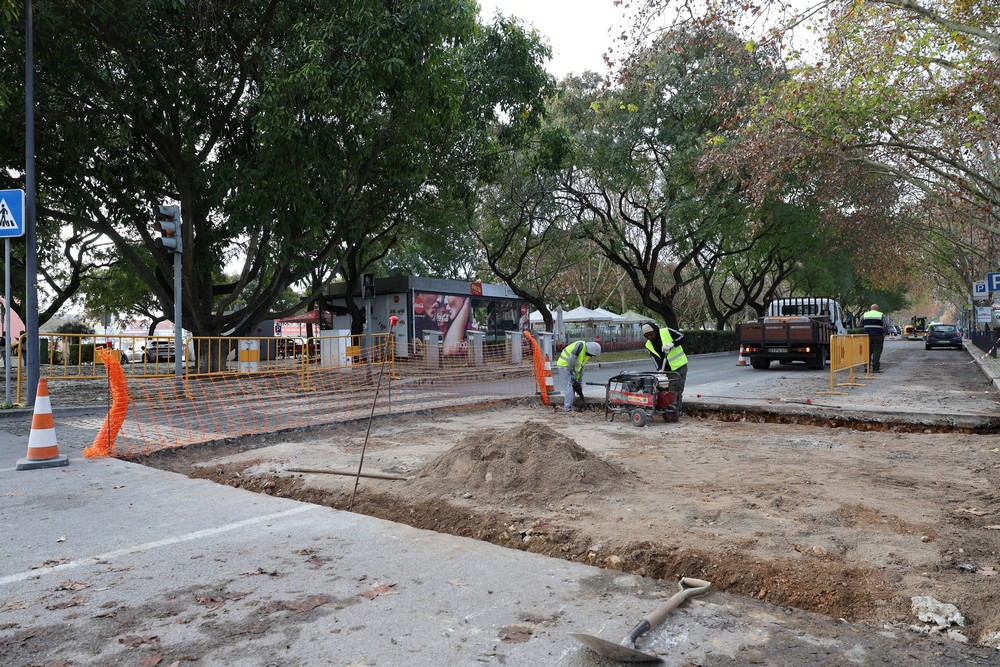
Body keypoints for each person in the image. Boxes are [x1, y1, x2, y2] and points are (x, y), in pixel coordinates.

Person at [641, 321, 689, 414]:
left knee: (675, 389)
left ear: (655, 330)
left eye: (651, 334)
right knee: (663, 389)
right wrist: (659, 370)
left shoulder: (666, 331)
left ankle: (675, 412)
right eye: (647, 336)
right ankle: (667, 409)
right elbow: (654, 358)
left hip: (678, 366)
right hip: (665, 369)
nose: (650, 337)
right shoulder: (648, 344)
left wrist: (672, 344)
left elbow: (684, 337)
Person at [556, 340, 601, 412]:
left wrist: (578, 381)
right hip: (564, 365)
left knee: (572, 388)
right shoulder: (580, 346)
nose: (592, 356)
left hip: (571, 368)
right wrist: (571, 372)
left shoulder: (586, 355)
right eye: (592, 355)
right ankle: (567, 409)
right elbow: (571, 360)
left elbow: (580, 368)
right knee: (569, 387)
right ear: (590, 350)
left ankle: (570, 406)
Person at [861, 303, 889, 372]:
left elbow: (861, 324)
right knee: (877, 351)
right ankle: (875, 368)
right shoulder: (881, 315)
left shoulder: (864, 315)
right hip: (878, 335)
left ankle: (866, 367)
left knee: (867, 351)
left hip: (866, 335)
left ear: (871, 308)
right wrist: (884, 332)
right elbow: (886, 325)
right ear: (877, 309)